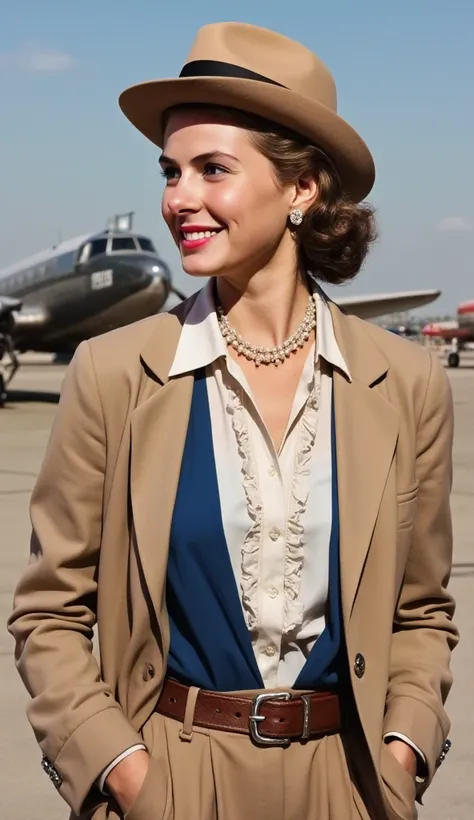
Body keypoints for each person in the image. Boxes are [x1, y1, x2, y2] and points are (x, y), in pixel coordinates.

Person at [8, 21, 458, 820]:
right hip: (175, 776)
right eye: (171, 171)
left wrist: (405, 751)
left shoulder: (409, 383)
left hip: (350, 783)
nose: (179, 198)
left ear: (302, 189)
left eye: (212, 169)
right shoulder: (113, 375)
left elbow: (421, 611)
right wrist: (124, 772)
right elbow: (48, 611)